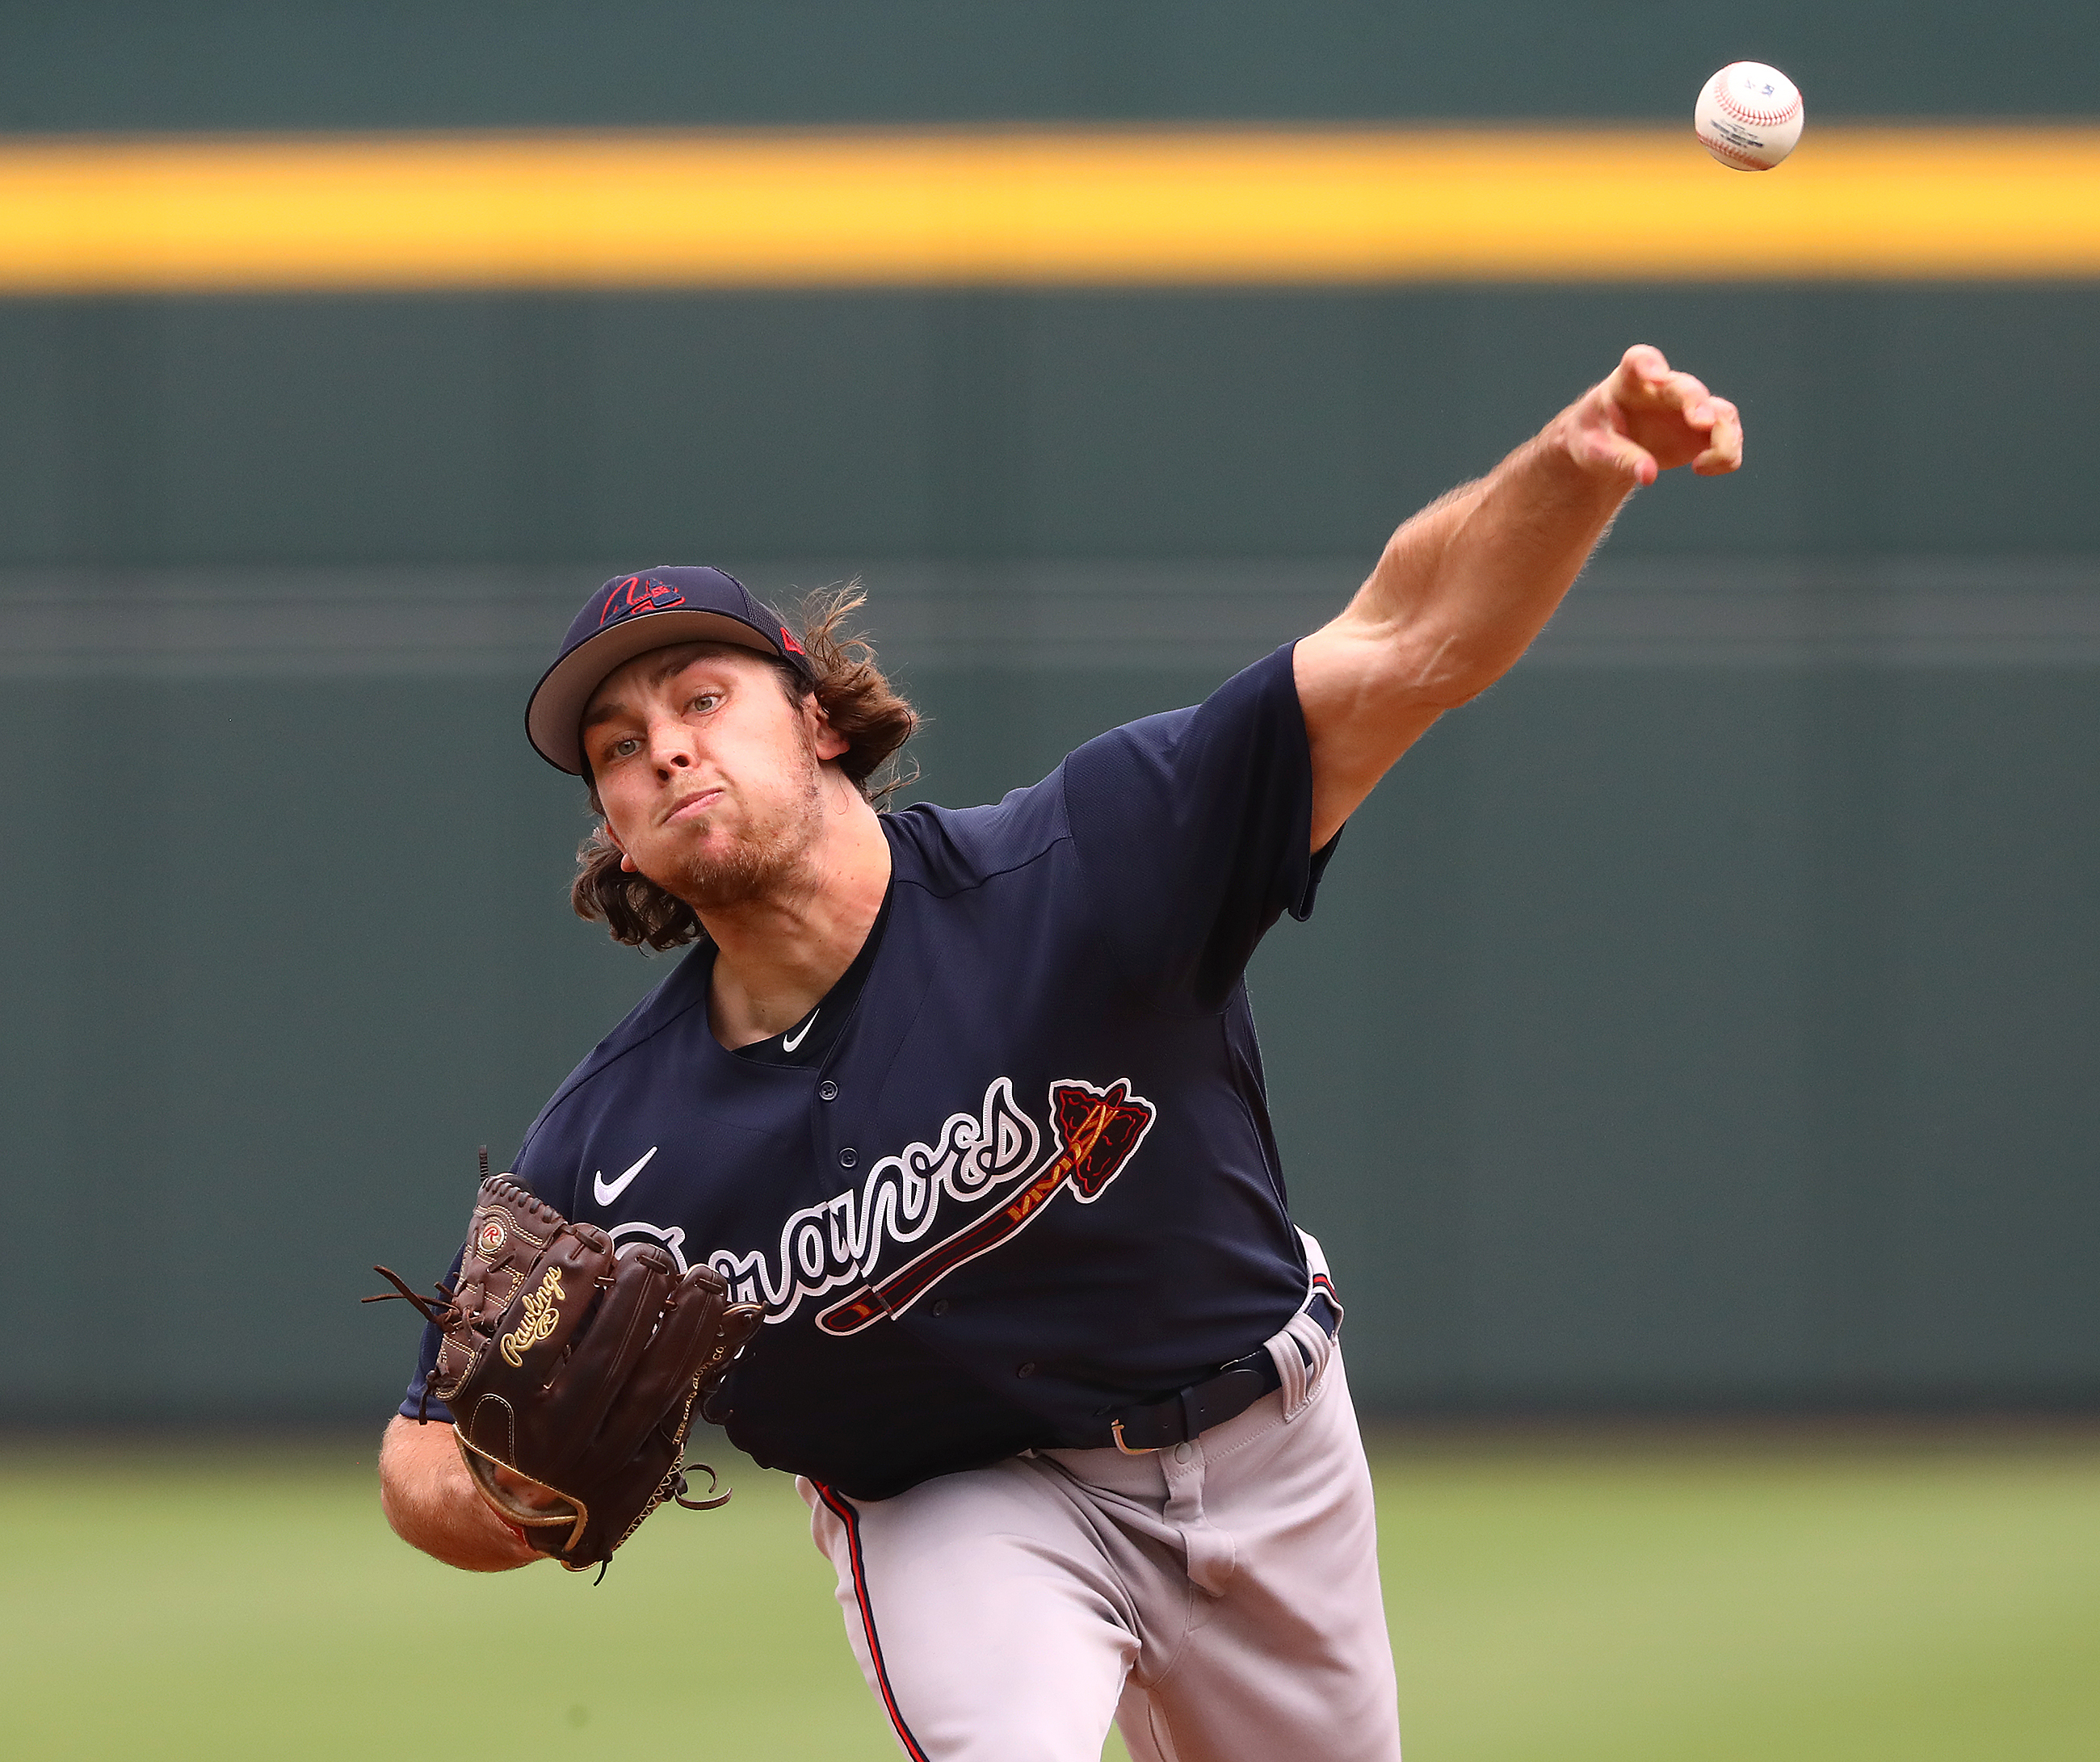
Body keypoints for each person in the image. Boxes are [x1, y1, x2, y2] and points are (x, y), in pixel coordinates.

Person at [378, 344, 1741, 1761]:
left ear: (820, 718)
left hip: (1269, 1443)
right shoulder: (618, 1137)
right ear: (612, 819)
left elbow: (1408, 636)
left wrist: (1575, 465)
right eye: (616, 742)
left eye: (701, 698)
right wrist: (505, 1510)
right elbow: (420, 1450)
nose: (661, 750)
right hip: (958, 1502)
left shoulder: (1090, 860)